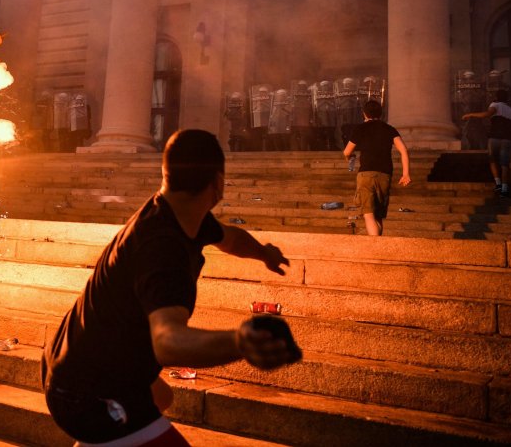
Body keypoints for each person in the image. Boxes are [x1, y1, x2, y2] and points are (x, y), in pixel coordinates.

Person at [43, 129, 300, 446]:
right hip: (89, 391)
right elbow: (168, 341)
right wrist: (241, 341)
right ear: (218, 184)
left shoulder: (178, 213)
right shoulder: (164, 248)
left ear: (166, 174)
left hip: (78, 362)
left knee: (160, 397)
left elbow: (230, 238)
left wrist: (264, 253)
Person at [342, 100, 411, 236]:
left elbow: (346, 152)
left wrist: (349, 158)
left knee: (368, 214)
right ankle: (379, 246)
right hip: (385, 175)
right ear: (381, 113)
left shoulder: (360, 128)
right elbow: (403, 150)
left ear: (364, 113)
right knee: (378, 215)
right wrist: (406, 174)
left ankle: (375, 248)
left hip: (366, 174)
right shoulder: (389, 129)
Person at [462, 89, 511, 197]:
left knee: (492, 160)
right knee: (505, 165)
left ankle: (498, 184)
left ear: (497, 97)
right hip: (507, 139)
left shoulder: (495, 105)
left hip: (495, 137)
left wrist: (470, 115)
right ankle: (505, 189)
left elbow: (487, 114)